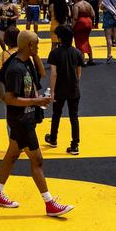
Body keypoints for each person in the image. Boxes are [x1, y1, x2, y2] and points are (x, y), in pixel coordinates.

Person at [0, 29, 74, 216]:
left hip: (24, 117)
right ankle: (49, 203)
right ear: (28, 45)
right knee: (37, 160)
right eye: (36, 45)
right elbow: (10, 99)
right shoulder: (16, 69)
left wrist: (34, 56)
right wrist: (37, 101)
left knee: (12, 155)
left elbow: (42, 74)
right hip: (20, 120)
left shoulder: (26, 62)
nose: (38, 47)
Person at [44, 25, 82, 154]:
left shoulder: (54, 53)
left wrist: (52, 91)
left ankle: (53, 138)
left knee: (56, 114)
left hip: (60, 88)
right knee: (74, 116)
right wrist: (75, 84)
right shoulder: (77, 52)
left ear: (59, 38)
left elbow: (54, 74)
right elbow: (78, 73)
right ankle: (75, 144)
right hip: (73, 88)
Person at [73, 0, 95, 67]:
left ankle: (82, 60)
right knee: (86, 40)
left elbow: (75, 17)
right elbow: (93, 14)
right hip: (89, 22)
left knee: (79, 41)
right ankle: (91, 59)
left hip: (80, 23)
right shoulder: (88, 4)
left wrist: (72, 26)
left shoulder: (77, 5)